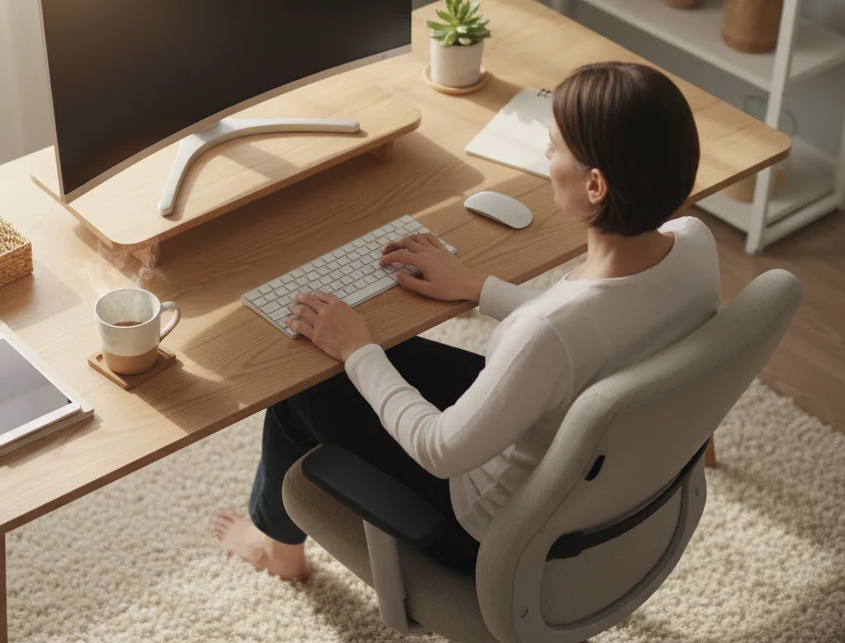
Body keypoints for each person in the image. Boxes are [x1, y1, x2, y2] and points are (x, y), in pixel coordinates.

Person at [211, 61, 721, 581]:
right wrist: (477, 286)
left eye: (555, 147)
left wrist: (356, 349)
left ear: (595, 186)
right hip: (589, 466)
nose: (546, 157)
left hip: (490, 526)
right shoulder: (694, 245)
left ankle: (279, 553)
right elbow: (603, 325)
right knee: (395, 352)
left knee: (302, 387)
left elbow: (439, 448)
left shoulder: (547, 332)